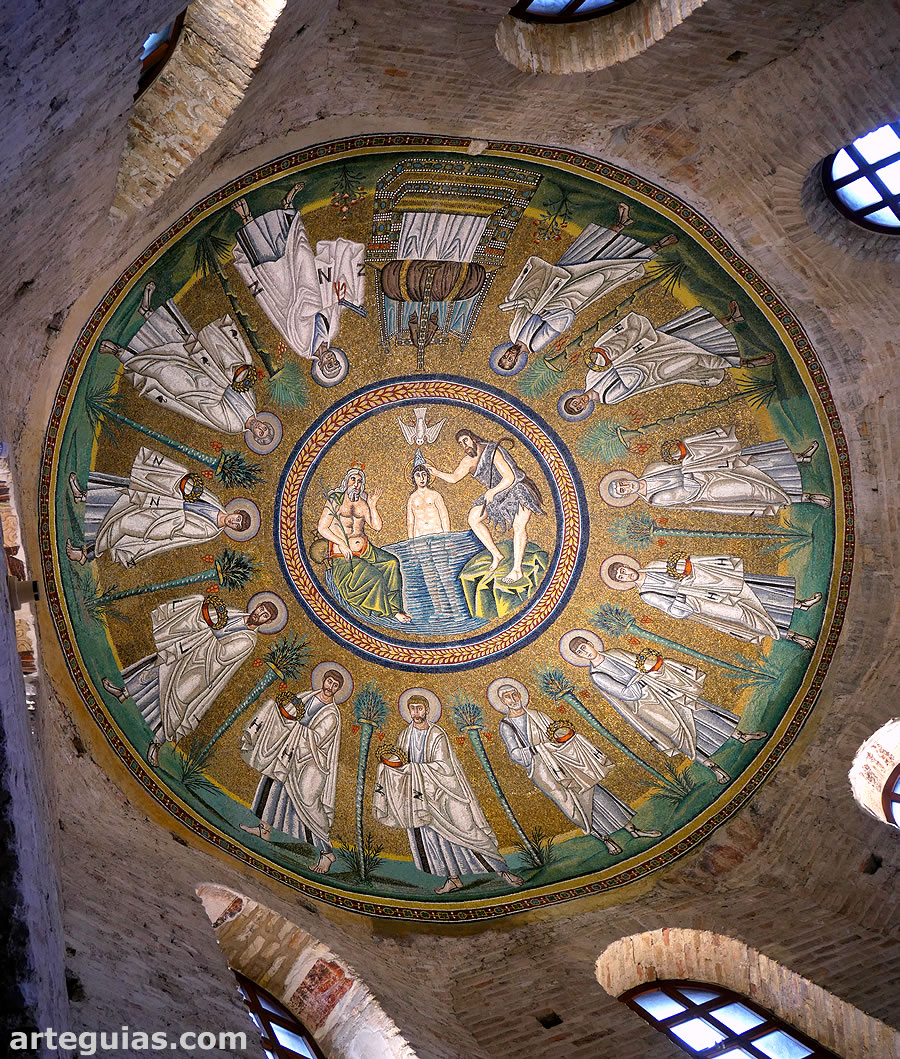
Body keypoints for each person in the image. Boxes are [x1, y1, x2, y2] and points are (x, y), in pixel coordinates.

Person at [558, 632, 766, 785]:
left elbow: (639, 663)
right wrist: (641, 677)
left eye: (584, 646)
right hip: (646, 706)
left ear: (590, 643)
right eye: (579, 652)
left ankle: (740, 736)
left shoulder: (614, 653)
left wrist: (652, 666)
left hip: (660, 688)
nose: (585, 652)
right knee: (680, 734)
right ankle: (713, 768)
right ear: (579, 657)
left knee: (697, 711)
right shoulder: (597, 676)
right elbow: (627, 694)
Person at [102, 593, 284, 767]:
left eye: (264, 615)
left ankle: (157, 743)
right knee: (154, 670)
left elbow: (223, 655)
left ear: (266, 622)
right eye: (260, 608)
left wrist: (210, 627)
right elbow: (208, 617)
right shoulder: (233, 613)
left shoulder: (249, 641)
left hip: (203, 672)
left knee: (179, 704)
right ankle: (123, 692)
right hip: (189, 649)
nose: (258, 614)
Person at [372, 689, 523, 893]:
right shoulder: (405, 735)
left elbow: (445, 767)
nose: (416, 713)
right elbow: (400, 762)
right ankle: (452, 878)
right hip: (420, 797)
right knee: (434, 841)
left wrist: (413, 768)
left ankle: (503, 872)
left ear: (427, 710)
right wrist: (389, 768)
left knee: (469, 832)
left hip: (445, 793)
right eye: (412, 709)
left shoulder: (436, 734)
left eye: (419, 708)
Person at [99, 283, 280, 450]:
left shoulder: (233, 426)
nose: (260, 428)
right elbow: (239, 381)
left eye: (260, 433)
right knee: (177, 338)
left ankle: (119, 352)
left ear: (255, 437)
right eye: (264, 427)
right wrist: (233, 373)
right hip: (208, 369)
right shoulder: (252, 403)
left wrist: (222, 383)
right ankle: (147, 311)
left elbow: (209, 408)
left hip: (194, 389)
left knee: (162, 371)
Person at [488, 678, 660, 854]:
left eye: (514, 694)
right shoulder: (506, 725)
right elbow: (515, 754)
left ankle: (633, 830)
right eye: (507, 697)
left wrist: (565, 736)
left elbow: (555, 733)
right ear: (502, 702)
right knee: (573, 807)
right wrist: (538, 748)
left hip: (564, 763)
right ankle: (605, 839)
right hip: (544, 772)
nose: (513, 699)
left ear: (520, 695)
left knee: (597, 793)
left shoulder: (537, 714)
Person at [493, 204, 677, 365]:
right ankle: (657, 246)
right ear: (518, 361)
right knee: (607, 273)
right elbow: (563, 322)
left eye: (504, 356)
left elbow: (524, 310)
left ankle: (621, 223)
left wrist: (519, 300)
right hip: (570, 297)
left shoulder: (513, 332)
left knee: (585, 251)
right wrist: (546, 313)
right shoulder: (535, 344)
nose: (509, 355)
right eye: (510, 360)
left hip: (552, 284)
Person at [231, 184, 364, 383]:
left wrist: (328, 309)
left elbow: (292, 323)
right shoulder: (332, 332)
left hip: (286, 297)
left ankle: (246, 216)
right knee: (302, 251)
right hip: (310, 289)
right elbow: (333, 309)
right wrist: (343, 301)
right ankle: (288, 207)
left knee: (270, 266)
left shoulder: (303, 347)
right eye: (335, 363)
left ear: (319, 366)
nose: (331, 361)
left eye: (329, 367)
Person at [557, 305, 774, 419]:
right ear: (586, 409)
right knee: (692, 358)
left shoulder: (590, 377)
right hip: (656, 371)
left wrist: (606, 354)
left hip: (644, 352)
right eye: (578, 408)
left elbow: (604, 358)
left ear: (573, 395)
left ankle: (730, 319)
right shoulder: (608, 398)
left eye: (574, 402)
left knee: (684, 334)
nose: (580, 403)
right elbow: (633, 380)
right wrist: (614, 362)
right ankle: (744, 362)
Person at [239, 663, 350, 874]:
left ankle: (327, 853)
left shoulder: (332, 715)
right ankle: (264, 829)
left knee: (309, 806)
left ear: (338, 690)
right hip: (289, 753)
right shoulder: (307, 696)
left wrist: (296, 726)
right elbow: (289, 713)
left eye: (335, 685)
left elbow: (317, 739)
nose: (330, 686)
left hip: (309, 764)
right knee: (272, 786)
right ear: (323, 680)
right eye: (329, 681)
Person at [64, 447, 254, 567]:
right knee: (124, 495)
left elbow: (183, 524)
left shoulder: (210, 530)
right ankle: (83, 496)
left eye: (236, 525)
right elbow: (192, 491)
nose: (233, 522)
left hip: (161, 522)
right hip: (163, 501)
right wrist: (180, 483)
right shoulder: (215, 501)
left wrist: (177, 496)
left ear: (233, 529)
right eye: (237, 518)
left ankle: (86, 554)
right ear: (235, 512)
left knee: (122, 525)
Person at [600, 552, 822, 650]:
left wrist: (689, 569)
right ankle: (790, 636)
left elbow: (685, 565)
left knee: (751, 589)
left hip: (707, 582)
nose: (626, 574)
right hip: (699, 601)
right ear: (624, 583)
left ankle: (799, 604)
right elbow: (673, 610)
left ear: (627, 565)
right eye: (621, 577)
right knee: (741, 614)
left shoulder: (654, 564)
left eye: (623, 570)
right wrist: (683, 593)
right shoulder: (646, 594)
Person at [598, 428, 829, 514]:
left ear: (624, 478)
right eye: (622, 491)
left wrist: (686, 454)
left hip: (703, 468)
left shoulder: (651, 469)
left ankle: (800, 458)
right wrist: (693, 470)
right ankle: (804, 498)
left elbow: (676, 463)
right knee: (752, 488)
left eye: (621, 483)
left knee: (750, 460)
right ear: (627, 496)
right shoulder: (654, 499)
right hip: (707, 488)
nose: (625, 486)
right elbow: (686, 493)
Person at [426, 428, 543, 583]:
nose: (464, 445)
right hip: (495, 493)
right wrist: (436, 473)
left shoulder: (492, 450)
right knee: (473, 518)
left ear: (474, 438)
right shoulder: (468, 461)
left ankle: (516, 570)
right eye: (460, 443)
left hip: (517, 487)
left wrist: (493, 492)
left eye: (465, 440)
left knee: (518, 526)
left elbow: (509, 477)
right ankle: (496, 554)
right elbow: (454, 477)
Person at [317, 465, 411, 622]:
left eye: (360, 481)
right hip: (344, 553)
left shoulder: (363, 502)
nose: (356, 484)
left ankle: (396, 607)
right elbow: (322, 527)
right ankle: (388, 612)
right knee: (373, 577)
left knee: (392, 563)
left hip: (366, 549)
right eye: (353, 479)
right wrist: (341, 543)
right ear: (346, 482)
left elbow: (377, 527)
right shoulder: (335, 501)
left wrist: (373, 506)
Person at [406, 461, 450, 539]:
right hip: (419, 535)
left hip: (437, 533)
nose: (421, 478)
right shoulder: (412, 498)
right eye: (418, 475)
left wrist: (447, 537)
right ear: (414, 478)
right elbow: (410, 522)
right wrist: (411, 542)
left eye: (424, 474)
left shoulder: (435, 495)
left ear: (428, 477)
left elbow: (444, 516)